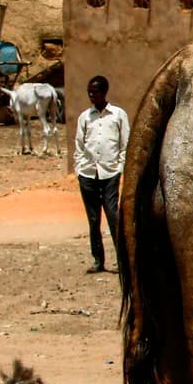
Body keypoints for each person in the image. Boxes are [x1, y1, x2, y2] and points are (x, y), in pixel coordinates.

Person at [74, 75, 130, 274]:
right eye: (89, 91)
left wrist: (120, 167)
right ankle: (98, 261)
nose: (91, 95)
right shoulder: (85, 117)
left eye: (95, 91)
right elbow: (79, 146)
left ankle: (122, 261)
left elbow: (125, 143)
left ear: (104, 92)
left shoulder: (117, 115)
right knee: (93, 219)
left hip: (110, 173)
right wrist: (79, 169)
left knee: (113, 216)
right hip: (88, 173)